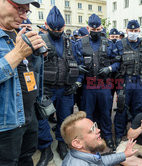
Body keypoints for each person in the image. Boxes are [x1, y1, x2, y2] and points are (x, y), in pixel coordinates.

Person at [0, 0, 46, 165]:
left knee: (26, 159)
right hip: (6, 125)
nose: (24, 15)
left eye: (27, 11)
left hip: (28, 114)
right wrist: (18, 53)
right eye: (19, 8)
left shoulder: (18, 33)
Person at [37, 6, 80, 165]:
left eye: (59, 28)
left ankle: (62, 142)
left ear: (64, 27)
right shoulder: (39, 40)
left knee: (65, 119)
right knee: (42, 119)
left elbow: (80, 64)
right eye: (53, 28)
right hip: (46, 89)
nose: (56, 31)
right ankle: (46, 148)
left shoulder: (71, 43)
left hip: (66, 89)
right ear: (46, 25)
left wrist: (77, 82)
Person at [74, 14, 119, 151]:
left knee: (105, 113)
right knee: (89, 114)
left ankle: (107, 137)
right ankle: (89, 139)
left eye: (98, 29)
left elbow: (117, 61)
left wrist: (109, 68)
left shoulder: (108, 43)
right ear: (88, 28)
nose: (95, 31)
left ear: (101, 28)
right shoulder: (80, 43)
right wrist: (78, 68)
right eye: (93, 29)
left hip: (104, 85)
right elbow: (74, 62)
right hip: (88, 85)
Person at [114, 20, 142, 147]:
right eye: (131, 31)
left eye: (136, 31)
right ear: (126, 31)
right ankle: (119, 134)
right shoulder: (119, 44)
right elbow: (115, 62)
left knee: (138, 110)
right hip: (124, 82)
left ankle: (136, 134)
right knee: (121, 108)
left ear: (139, 31)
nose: (133, 33)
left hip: (139, 83)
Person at [61, 111, 137, 166]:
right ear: (77, 143)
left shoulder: (88, 153)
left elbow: (101, 161)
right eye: (92, 130)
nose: (98, 130)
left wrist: (124, 154)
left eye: (95, 126)